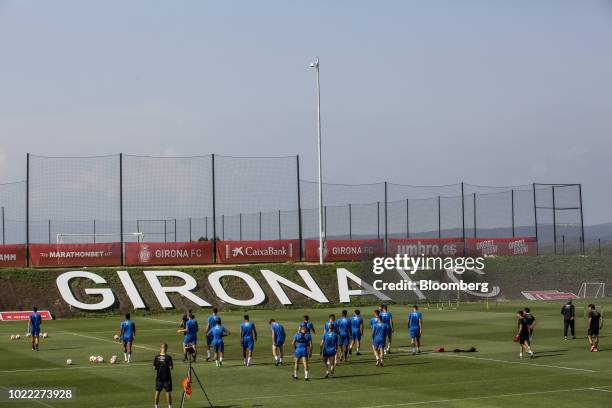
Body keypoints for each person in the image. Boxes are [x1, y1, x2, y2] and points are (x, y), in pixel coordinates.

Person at [153, 343, 173, 408]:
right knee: (168, 392)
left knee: (157, 391)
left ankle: (156, 406)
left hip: (159, 377)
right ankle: (169, 406)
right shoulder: (168, 357)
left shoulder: (156, 357)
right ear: (166, 348)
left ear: (160, 348)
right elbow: (171, 367)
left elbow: (154, 368)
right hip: (167, 377)